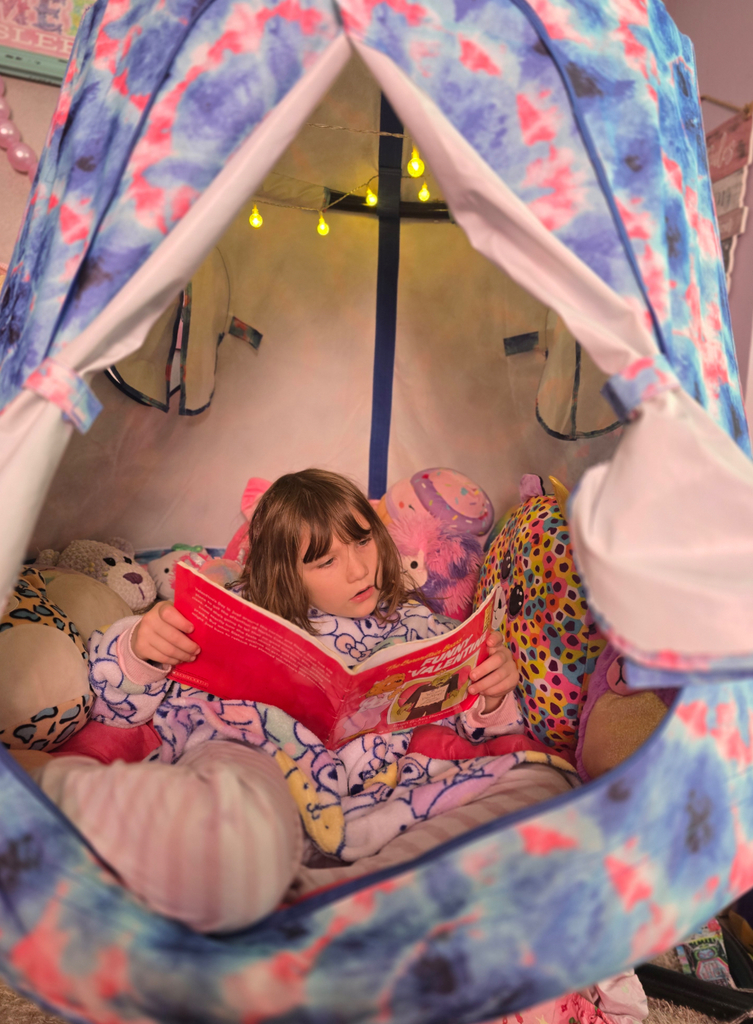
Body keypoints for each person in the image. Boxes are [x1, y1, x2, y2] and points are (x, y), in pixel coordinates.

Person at [31, 470, 544, 932]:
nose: (358, 571)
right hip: (254, 752)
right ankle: (38, 795)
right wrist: (142, 649)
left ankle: (329, 900)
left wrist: (492, 692)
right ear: (285, 571)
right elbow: (120, 706)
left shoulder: (418, 621)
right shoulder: (235, 610)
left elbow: (477, 727)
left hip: (372, 792)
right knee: (236, 827)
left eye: (363, 541)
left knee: (542, 786)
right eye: (325, 560)